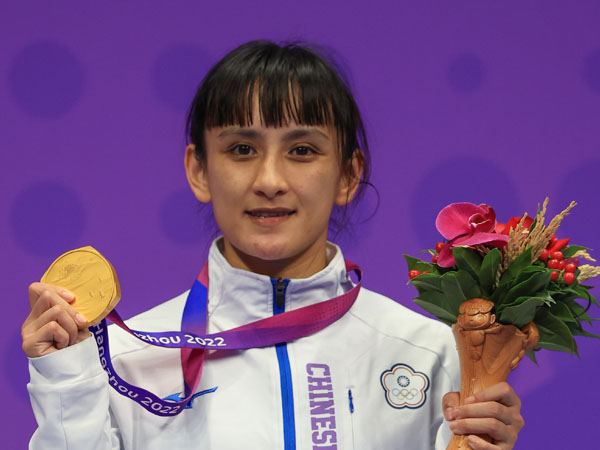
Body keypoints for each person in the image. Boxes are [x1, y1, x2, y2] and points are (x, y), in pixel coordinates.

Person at [22, 40, 524, 449]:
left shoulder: (428, 351)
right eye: (242, 149)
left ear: (349, 174)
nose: (269, 180)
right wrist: (63, 376)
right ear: (199, 170)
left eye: (302, 151)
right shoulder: (127, 358)